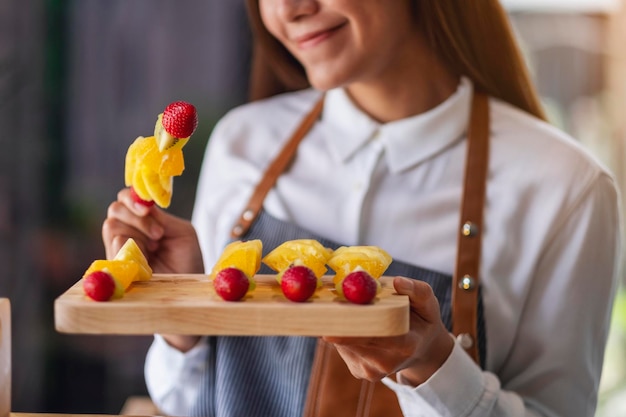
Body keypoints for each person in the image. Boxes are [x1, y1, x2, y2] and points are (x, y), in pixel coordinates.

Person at [102, 0, 623, 416]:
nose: (287, 9)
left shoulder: (567, 189)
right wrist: (183, 312)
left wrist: (436, 369)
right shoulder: (243, 144)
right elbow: (189, 404)